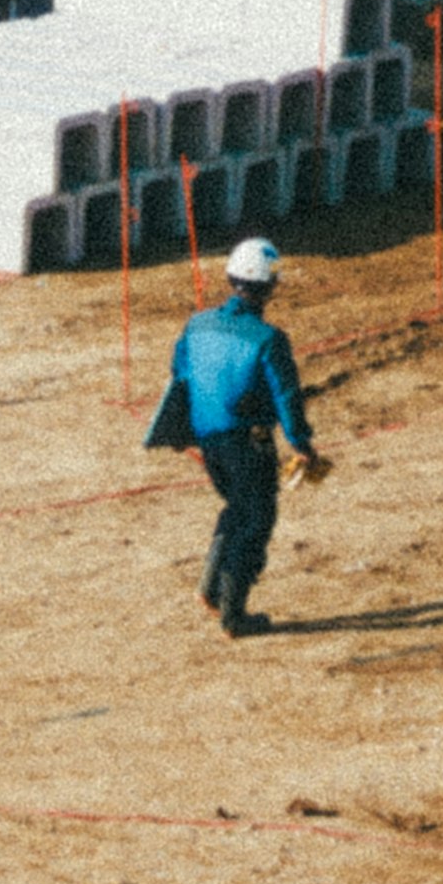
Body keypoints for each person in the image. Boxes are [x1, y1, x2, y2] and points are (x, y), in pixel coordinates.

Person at [155, 232, 327, 640]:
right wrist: (302, 443)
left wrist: (178, 433)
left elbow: (180, 375)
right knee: (257, 519)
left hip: (208, 440)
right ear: (269, 286)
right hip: (248, 445)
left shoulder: (197, 325)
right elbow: (287, 398)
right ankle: (233, 614)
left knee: (237, 508)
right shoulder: (269, 340)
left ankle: (211, 589)